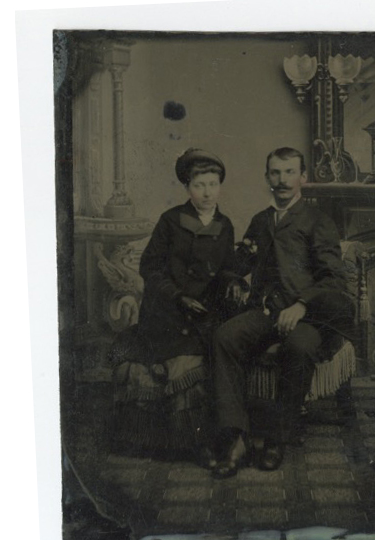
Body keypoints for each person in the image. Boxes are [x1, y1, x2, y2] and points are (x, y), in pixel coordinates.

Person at [210, 147, 352, 479]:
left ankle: (278, 438)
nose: (282, 180)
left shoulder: (317, 221)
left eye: (289, 172)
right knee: (225, 337)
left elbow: (334, 278)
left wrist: (302, 304)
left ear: (303, 177)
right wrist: (233, 278)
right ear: (267, 177)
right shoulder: (260, 221)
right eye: (275, 173)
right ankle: (237, 437)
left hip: (308, 314)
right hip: (265, 312)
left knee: (299, 346)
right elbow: (240, 262)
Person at [111, 148, 243, 458]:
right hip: (166, 311)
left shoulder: (224, 225)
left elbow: (227, 267)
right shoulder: (171, 221)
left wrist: (234, 282)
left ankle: (204, 440)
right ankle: (176, 444)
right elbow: (150, 267)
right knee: (173, 362)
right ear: (187, 187)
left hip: (204, 312)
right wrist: (178, 296)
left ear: (220, 186)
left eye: (213, 184)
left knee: (209, 357)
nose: (207, 193)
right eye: (199, 185)